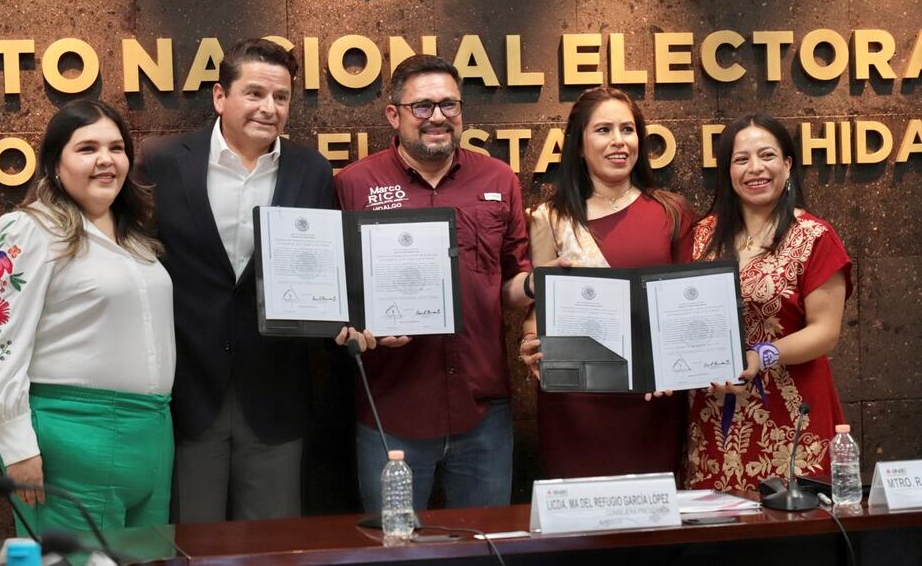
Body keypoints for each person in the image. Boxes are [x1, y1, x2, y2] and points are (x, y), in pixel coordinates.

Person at [136, 38, 336, 522]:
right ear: (219, 96)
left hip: (275, 392)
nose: (269, 108)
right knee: (191, 545)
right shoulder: (163, 161)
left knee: (273, 549)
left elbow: (329, 268)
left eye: (281, 97)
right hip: (188, 391)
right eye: (254, 93)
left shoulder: (311, 170)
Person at [334, 54, 539, 513]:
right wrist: (354, 326)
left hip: (482, 407)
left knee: (486, 545)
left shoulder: (499, 179)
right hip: (391, 408)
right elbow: (336, 289)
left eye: (450, 105)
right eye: (423, 106)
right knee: (395, 551)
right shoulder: (354, 185)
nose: (438, 118)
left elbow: (509, 284)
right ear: (395, 114)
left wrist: (538, 286)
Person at [0, 99, 175, 535]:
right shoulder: (28, 229)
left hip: (152, 435)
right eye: (87, 148)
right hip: (72, 437)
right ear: (55, 164)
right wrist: (16, 446)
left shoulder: (135, 239)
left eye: (116, 148)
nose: (105, 160)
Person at [518, 86, 695, 480]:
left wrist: (675, 366)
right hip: (576, 405)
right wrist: (530, 345)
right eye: (603, 130)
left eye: (627, 130)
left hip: (652, 400)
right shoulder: (549, 217)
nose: (619, 141)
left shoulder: (672, 212)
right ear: (579, 145)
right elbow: (537, 311)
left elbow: (687, 307)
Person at [685, 114, 851, 491]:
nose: (755, 168)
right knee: (719, 541)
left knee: (795, 539)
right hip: (716, 417)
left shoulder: (814, 236)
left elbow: (826, 332)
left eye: (767, 156)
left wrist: (763, 355)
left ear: (787, 164)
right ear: (727, 171)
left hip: (793, 419)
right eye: (741, 159)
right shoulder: (701, 236)